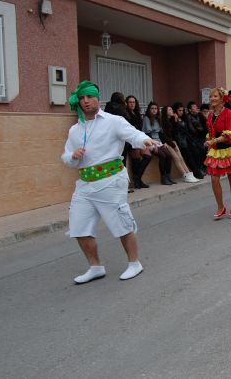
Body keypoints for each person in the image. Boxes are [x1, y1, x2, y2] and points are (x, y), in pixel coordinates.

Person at [61, 81, 158, 284]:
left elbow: (133, 134)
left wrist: (145, 141)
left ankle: (134, 263)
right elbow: (66, 157)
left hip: (111, 180)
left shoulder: (113, 121)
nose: (85, 101)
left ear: (98, 98)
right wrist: (73, 156)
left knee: (121, 223)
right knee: (79, 227)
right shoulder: (75, 130)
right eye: (81, 98)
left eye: (89, 97)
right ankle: (95, 267)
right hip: (85, 184)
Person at [204, 88, 231, 219]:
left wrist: (213, 141)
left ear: (222, 99)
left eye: (215, 96)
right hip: (217, 150)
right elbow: (210, 132)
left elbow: (230, 135)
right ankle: (221, 207)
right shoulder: (210, 115)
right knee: (214, 178)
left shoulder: (228, 113)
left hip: (230, 148)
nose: (212, 99)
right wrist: (210, 144)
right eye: (211, 96)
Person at [160, 106, 201, 183]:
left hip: (172, 141)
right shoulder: (162, 121)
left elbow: (175, 132)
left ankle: (189, 173)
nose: (172, 110)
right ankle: (184, 175)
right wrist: (172, 144)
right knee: (176, 158)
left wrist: (175, 121)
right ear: (165, 112)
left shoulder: (171, 120)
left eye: (171, 109)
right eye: (169, 109)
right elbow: (164, 135)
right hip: (166, 142)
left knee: (181, 158)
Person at [142, 102, 174, 185]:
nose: (154, 110)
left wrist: (164, 143)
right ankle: (163, 178)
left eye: (155, 108)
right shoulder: (146, 118)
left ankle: (168, 176)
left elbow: (160, 133)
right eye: (152, 108)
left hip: (158, 141)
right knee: (162, 156)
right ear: (149, 109)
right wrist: (154, 145)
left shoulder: (157, 119)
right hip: (149, 142)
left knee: (169, 155)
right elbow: (147, 134)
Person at [172, 103, 205, 180]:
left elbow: (187, 130)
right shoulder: (174, 119)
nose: (181, 112)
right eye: (179, 110)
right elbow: (175, 132)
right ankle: (196, 172)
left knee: (196, 151)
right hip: (180, 141)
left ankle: (199, 169)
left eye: (182, 110)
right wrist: (176, 121)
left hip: (187, 139)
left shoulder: (184, 118)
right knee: (188, 155)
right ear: (175, 111)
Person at [125, 95, 152, 189]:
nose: (132, 104)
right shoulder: (126, 114)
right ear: (126, 103)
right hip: (131, 139)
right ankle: (138, 182)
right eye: (130, 102)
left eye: (133, 102)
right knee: (136, 160)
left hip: (139, 138)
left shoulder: (137, 113)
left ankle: (137, 178)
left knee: (147, 156)